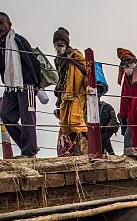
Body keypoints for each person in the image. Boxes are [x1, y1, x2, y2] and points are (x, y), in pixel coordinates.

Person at [0, 11, 40, 158]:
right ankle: (28, 146)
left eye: (0, 22)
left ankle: (29, 152)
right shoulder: (0, 43)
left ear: (9, 24)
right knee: (6, 115)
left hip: (27, 85)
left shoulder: (18, 40)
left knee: (27, 118)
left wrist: (36, 83)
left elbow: (33, 62)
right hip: (11, 87)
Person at [53, 27, 87, 155]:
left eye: (62, 40)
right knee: (66, 124)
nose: (59, 43)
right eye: (57, 41)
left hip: (77, 92)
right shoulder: (57, 59)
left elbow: (86, 70)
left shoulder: (75, 54)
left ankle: (96, 143)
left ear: (67, 42)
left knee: (75, 121)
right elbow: (61, 77)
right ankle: (77, 151)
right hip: (64, 93)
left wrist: (72, 61)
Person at [97, 84, 118, 155]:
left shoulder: (107, 107)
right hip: (99, 131)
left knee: (103, 141)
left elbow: (114, 121)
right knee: (105, 143)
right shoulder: (88, 109)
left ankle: (104, 154)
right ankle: (111, 154)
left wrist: (108, 127)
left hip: (107, 129)